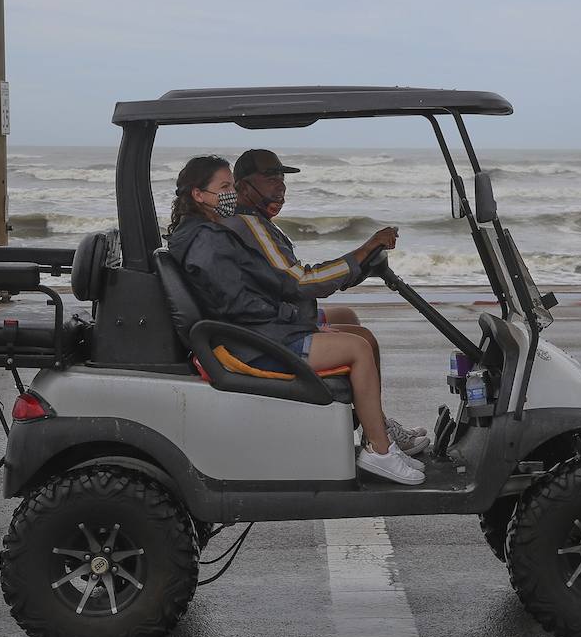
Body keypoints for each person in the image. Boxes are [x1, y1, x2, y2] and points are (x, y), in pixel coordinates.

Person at [165, 155, 424, 485]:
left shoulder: (210, 230)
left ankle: (378, 432)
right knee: (358, 348)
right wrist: (299, 318)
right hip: (252, 341)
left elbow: (262, 286)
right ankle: (379, 452)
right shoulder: (216, 237)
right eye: (225, 187)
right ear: (199, 194)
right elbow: (269, 293)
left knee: (356, 330)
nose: (280, 185)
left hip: (252, 330)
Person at [226, 148, 427, 454]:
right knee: (361, 342)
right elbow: (303, 282)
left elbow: (294, 280)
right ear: (241, 186)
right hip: (269, 332)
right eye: (270, 177)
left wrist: (357, 265)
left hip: (276, 316)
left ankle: (377, 424)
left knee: (350, 318)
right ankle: (380, 447)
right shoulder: (250, 225)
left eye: (282, 177)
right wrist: (366, 247)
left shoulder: (259, 223)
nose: (280, 185)